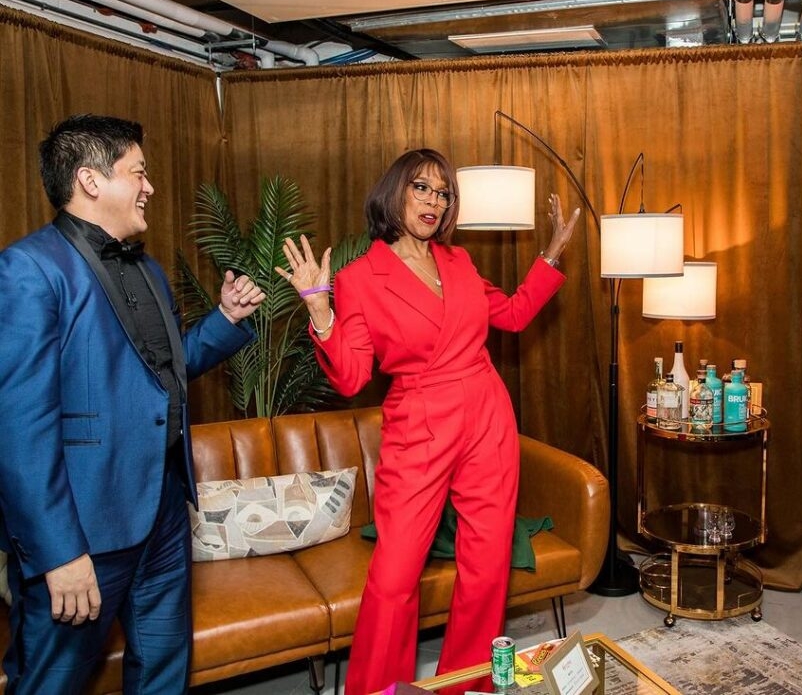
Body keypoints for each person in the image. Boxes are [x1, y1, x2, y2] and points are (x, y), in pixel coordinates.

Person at [278, 148, 580, 694]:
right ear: (394, 192)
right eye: (421, 188)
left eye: (442, 193)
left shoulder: (459, 262)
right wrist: (320, 310)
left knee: (487, 570)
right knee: (394, 577)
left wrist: (552, 255)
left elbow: (510, 314)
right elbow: (350, 377)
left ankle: (464, 685)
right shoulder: (358, 278)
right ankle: (377, 689)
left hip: (487, 416)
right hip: (418, 425)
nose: (433, 201)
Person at [0, 114, 266, 693]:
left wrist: (225, 321)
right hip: (85, 530)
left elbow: (161, 376)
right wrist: (59, 553)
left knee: (164, 674)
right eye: (137, 173)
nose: (149, 187)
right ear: (91, 181)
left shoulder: (147, 268)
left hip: (165, 512)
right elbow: (19, 429)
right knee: (52, 682)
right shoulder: (29, 270)